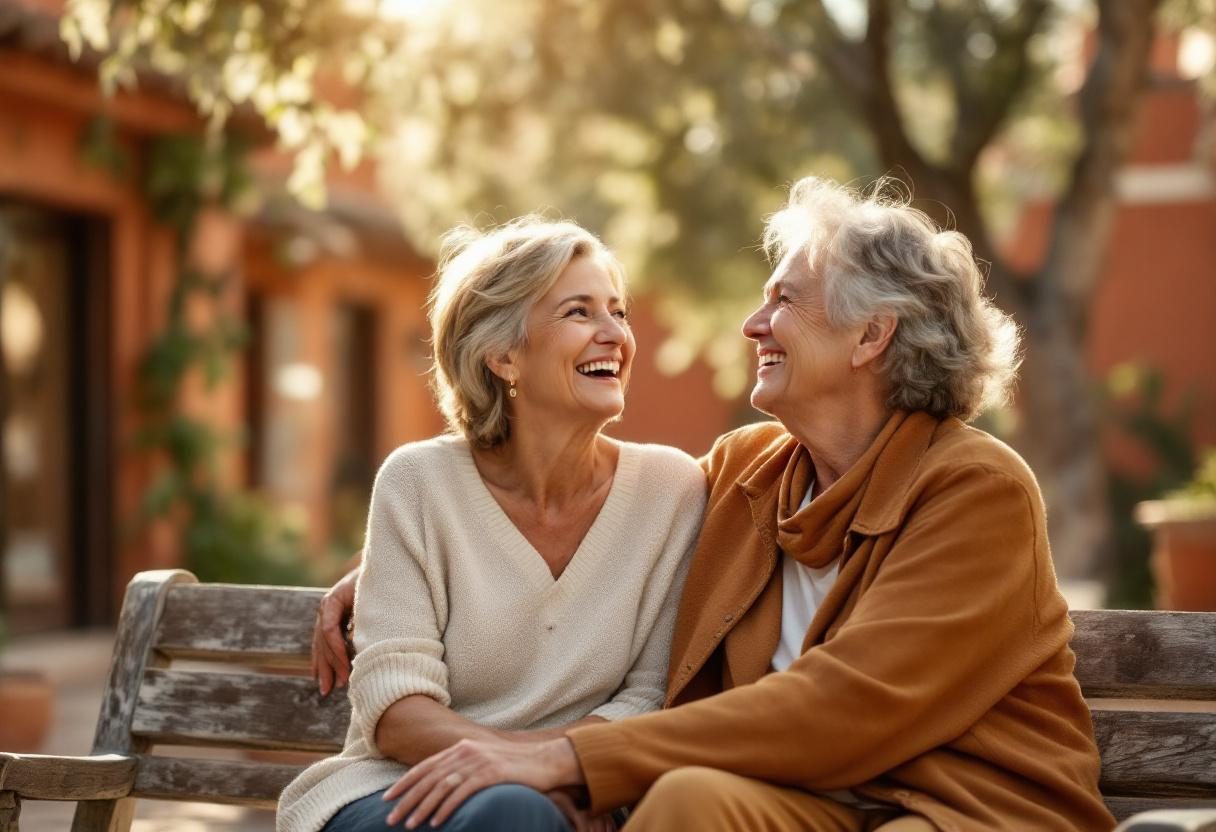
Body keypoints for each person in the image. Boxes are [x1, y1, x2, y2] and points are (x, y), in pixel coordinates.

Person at [323, 178, 1114, 831]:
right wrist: (385, 570)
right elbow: (585, 509)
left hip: (959, 808)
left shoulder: (978, 489)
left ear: (871, 336)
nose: (751, 324)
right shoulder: (746, 475)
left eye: (784, 303)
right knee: (684, 803)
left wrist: (562, 759)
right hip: (816, 808)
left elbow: (845, 705)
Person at [276, 218, 707, 832]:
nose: (615, 334)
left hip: (567, 801)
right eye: (580, 313)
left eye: (618, 312)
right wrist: (526, 775)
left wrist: (547, 773)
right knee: (514, 813)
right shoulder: (418, 481)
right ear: (503, 354)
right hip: (398, 792)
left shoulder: (672, 490)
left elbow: (651, 698)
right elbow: (397, 711)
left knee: (516, 814)